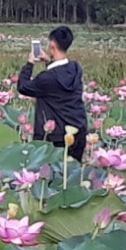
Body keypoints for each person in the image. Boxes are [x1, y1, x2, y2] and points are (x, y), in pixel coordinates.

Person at [16, 25, 87, 161]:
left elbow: (23, 86)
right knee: (71, 176)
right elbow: (60, 76)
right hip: (78, 133)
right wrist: (49, 61)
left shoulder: (46, 78)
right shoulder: (76, 69)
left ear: (52, 45)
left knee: (53, 176)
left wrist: (30, 63)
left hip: (56, 138)